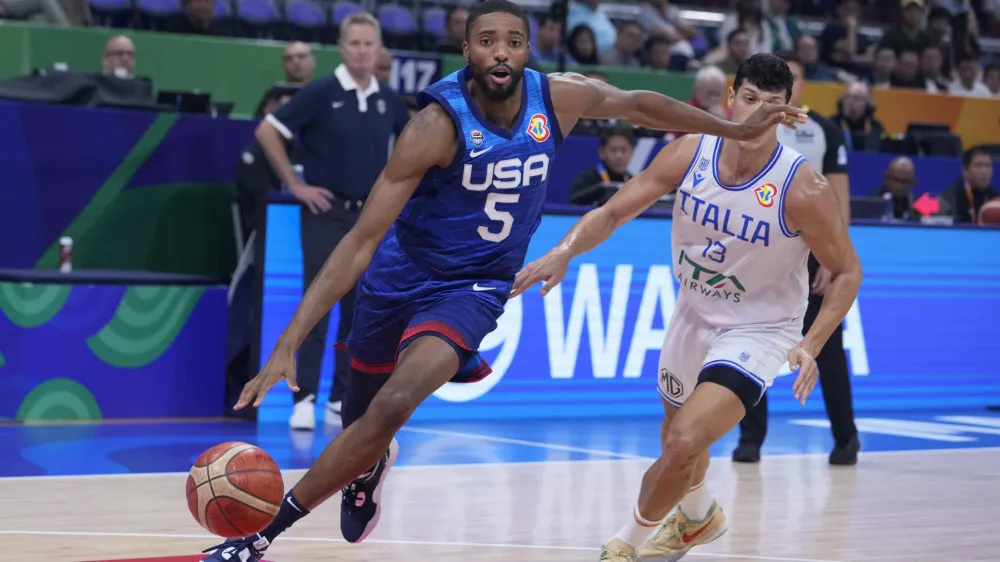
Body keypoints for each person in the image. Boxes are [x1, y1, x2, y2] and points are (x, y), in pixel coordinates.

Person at [198, 3, 804, 560]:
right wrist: (287, 341)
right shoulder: (434, 127)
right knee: (364, 419)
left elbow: (642, 105)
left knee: (395, 404)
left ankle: (262, 536)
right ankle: (368, 465)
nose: (501, 52)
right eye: (487, 41)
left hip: (474, 288)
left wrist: (737, 130)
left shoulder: (559, 97)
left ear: (527, 50)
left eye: (514, 40)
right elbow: (358, 241)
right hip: (400, 275)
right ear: (468, 52)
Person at [510, 53, 862, 561]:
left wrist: (812, 342)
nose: (759, 112)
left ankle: (623, 548)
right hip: (693, 313)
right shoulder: (689, 153)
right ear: (729, 99)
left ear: (787, 115)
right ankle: (699, 516)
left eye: (773, 104)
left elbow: (849, 271)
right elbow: (612, 211)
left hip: (760, 331)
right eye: (750, 99)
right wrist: (562, 252)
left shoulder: (802, 188)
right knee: (677, 439)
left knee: (681, 442)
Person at [257, 12, 411, 431]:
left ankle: (341, 397)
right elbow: (268, 131)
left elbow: (416, 145)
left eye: (369, 44)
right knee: (318, 303)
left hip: (371, 219)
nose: (362, 51)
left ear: (379, 51)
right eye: (355, 44)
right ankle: (302, 396)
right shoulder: (321, 92)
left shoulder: (387, 99)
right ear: (342, 49)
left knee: (362, 309)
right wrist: (295, 184)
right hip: (326, 215)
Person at [734, 53, 861, 466]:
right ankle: (750, 440)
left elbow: (839, 199)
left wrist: (831, 254)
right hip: (757, 251)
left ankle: (846, 439)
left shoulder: (823, 131)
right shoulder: (747, 124)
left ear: (797, 88)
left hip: (811, 254)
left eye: (798, 78)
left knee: (827, 344)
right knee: (748, 343)